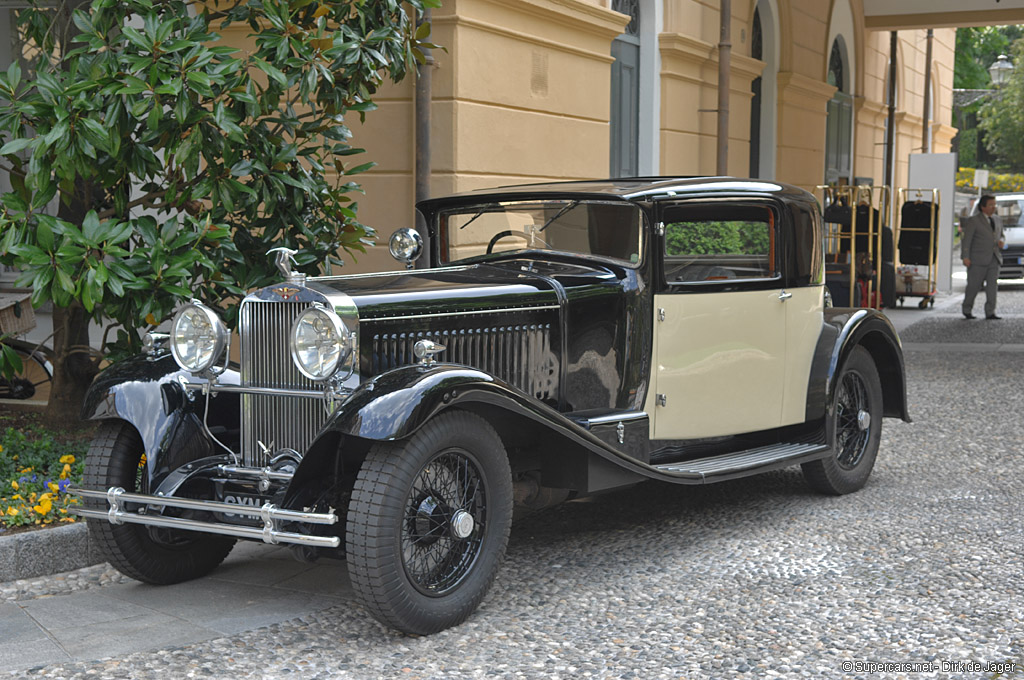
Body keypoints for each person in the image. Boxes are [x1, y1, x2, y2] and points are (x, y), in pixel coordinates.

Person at [960, 194, 1005, 320]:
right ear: (983, 206)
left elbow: (1001, 234)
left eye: (994, 204)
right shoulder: (974, 220)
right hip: (977, 259)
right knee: (973, 286)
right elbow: (966, 240)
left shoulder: (997, 219)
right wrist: (965, 257)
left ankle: (990, 312)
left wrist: (1001, 241)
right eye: (991, 205)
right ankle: (967, 309)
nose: (994, 207)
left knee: (992, 288)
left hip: (994, 258)